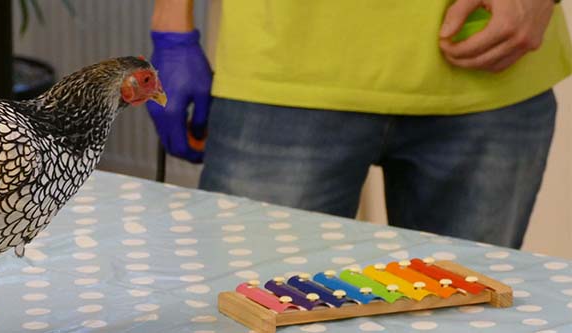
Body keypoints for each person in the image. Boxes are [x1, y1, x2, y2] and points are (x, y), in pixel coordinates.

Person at [147, 0, 571, 249]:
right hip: (282, 69)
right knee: (251, 312)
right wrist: (171, 22)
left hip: (491, 73)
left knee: (473, 321)